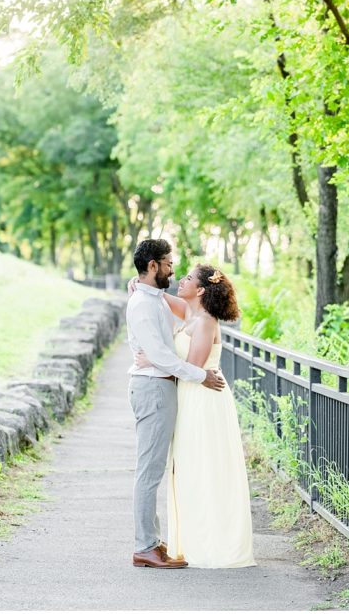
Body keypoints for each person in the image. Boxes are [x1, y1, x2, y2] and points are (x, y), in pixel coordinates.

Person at [132, 264, 256, 568]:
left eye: (187, 278)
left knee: (203, 467)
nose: (180, 280)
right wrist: (136, 282)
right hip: (187, 397)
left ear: (200, 289)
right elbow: (156, 295)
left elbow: (194, 369)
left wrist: (152, 359)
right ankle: (191, 539)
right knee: (186, 468)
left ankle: (212, 543)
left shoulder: (205, 322)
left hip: (203, 398)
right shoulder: (188, 311)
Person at [125, 239, 226, 569]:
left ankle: (151, 541)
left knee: (156, 469)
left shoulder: (152, 298)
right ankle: (145, 546)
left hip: (162, 386)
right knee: (150, 470)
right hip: (154, 388)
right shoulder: (143, 302)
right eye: (168, 264)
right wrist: (198, 374)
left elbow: (164, 346)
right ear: (152, 266)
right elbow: (160, 355)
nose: (173, 270)